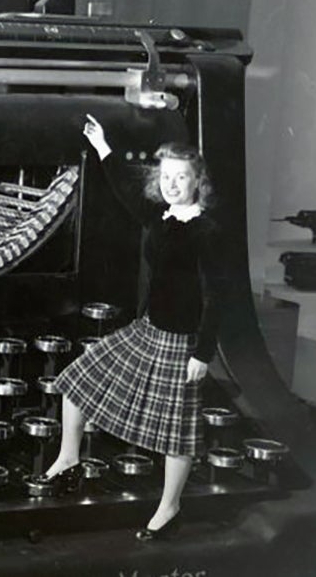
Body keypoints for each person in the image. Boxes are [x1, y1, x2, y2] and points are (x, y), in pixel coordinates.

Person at [42, 113, 228, 541]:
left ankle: (169, 507)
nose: (172, 184)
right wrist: (104, 147)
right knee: (77, 379)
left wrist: (203, 353)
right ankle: (69, 458)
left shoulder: (207, 232)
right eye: (166, 176)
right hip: (147, 331)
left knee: (176, 431)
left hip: (182, 342)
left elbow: (217, 295)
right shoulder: (159, 217)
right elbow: (126, 189)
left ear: (198, 182)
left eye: (181, 177)